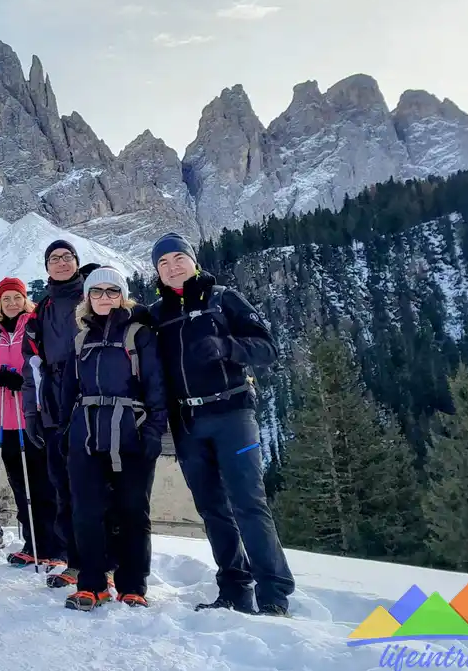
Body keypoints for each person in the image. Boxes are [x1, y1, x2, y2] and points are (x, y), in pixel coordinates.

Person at [149, 232, 294, 616]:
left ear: (193, 261)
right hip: (187, 422)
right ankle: (233, 589)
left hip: (232, 413)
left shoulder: (223, 298)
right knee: (212, 509)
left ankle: (274, 594)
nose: (172, 267)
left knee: (248, 503)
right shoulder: (156, 314)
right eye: (163, 263)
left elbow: (268, 348)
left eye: (178, 258)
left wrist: (228, 347)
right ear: (157, 273)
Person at [58, 267, 167, 611]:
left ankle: (133, 584)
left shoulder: (140, 335)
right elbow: (69, 390)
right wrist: (65, 431)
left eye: (112, 290)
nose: (105, 297)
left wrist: (154, 431)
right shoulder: (80, 339)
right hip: (87, 434)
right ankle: (91, 583)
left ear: (123, 295)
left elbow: (156, 386)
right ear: (87, 298)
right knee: (87, 511)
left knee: (133, 510)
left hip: (130, 432)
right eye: (97, 291)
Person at [25, 239, 104, 589]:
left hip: (89, 391)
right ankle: (74, 559)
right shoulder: (41, 309)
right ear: (46, 268)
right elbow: (33, 364)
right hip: (55, 399)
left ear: (76, 261)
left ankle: (105, 562)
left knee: (97, 483)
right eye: (53, 259)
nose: (60, 263)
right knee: (63, 483)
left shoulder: (92, 296)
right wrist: (32, 411)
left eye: (66, 257)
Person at [0, 277, 59, 569]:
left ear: (26, 300)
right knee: (20, 486)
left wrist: (22, 380)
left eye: (17, 297)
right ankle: (32, 543)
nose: (12, 303)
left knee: (43, 485)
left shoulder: (34, 328)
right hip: (5, 421)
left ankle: (53, 544)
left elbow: (45, 369)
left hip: (33, 417)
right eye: (6, 298)